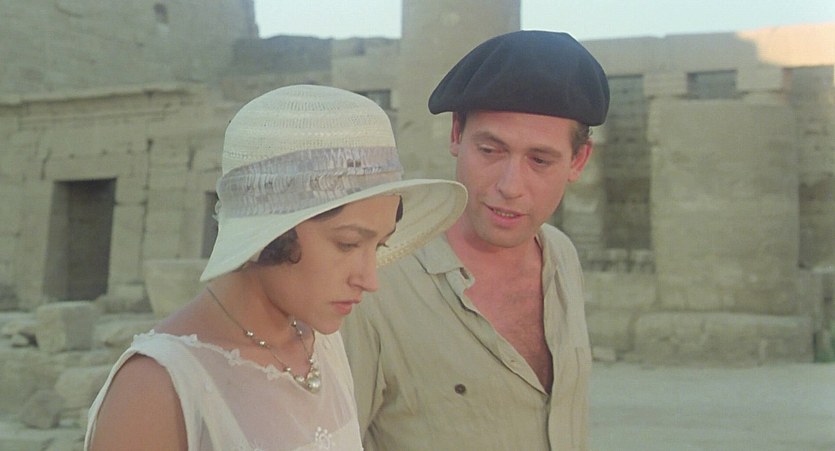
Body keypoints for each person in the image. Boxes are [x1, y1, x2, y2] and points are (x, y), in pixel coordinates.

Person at [84, 84, 466, 450]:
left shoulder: (323, 345)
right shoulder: (156, 388)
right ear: (272, 233)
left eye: (378, 245)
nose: (369, 279)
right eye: (348, 244)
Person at [341, 30, 610, 450]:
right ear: (456, 135)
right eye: (490, 150)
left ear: (578, 161)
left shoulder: (560, 256)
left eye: (540, 160)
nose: (510, 186)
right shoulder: (374, 283)